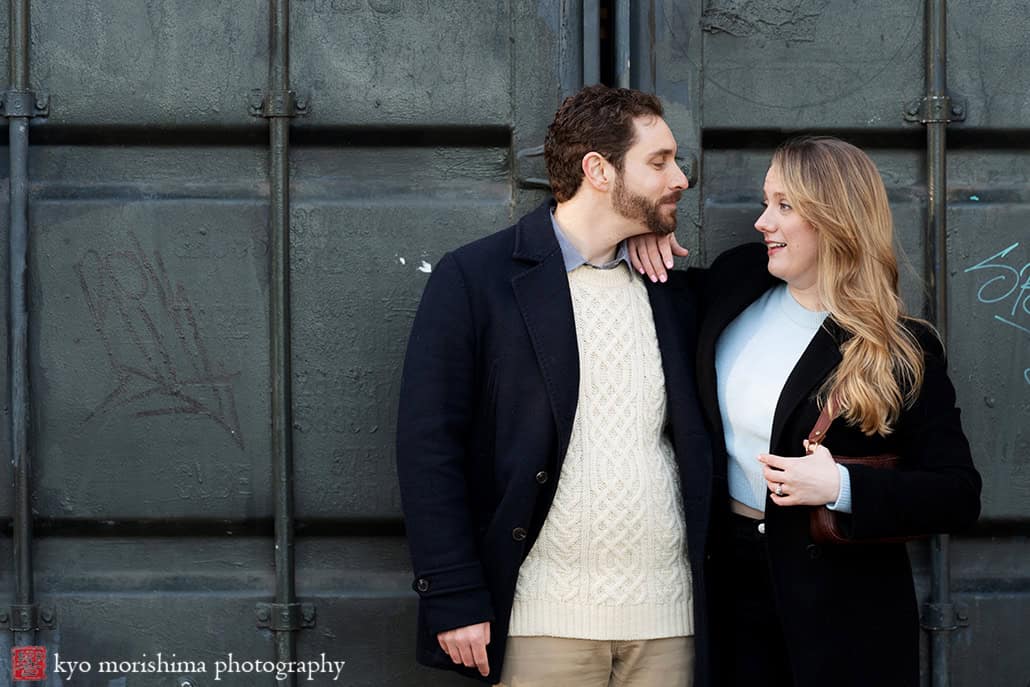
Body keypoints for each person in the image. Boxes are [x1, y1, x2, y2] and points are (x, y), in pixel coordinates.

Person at [627, 136, 982, 687]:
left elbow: (958, 495)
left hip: (843, 613)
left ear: (836, 219)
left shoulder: (898, 348)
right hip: (729, 585)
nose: (763, 221)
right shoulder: (737, 281)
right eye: (767, 201)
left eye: (785, 206)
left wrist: (841, 486)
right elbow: (656, 298)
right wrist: (643, 231)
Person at [395, 84, 716, 686]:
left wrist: (642, 229)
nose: (680, 178)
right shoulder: (476, 278)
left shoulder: (673, 289)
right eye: (659, 162)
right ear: (598, 169)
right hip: (543, 620)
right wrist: (454, 592)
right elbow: (428, 446)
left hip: (670, 622)